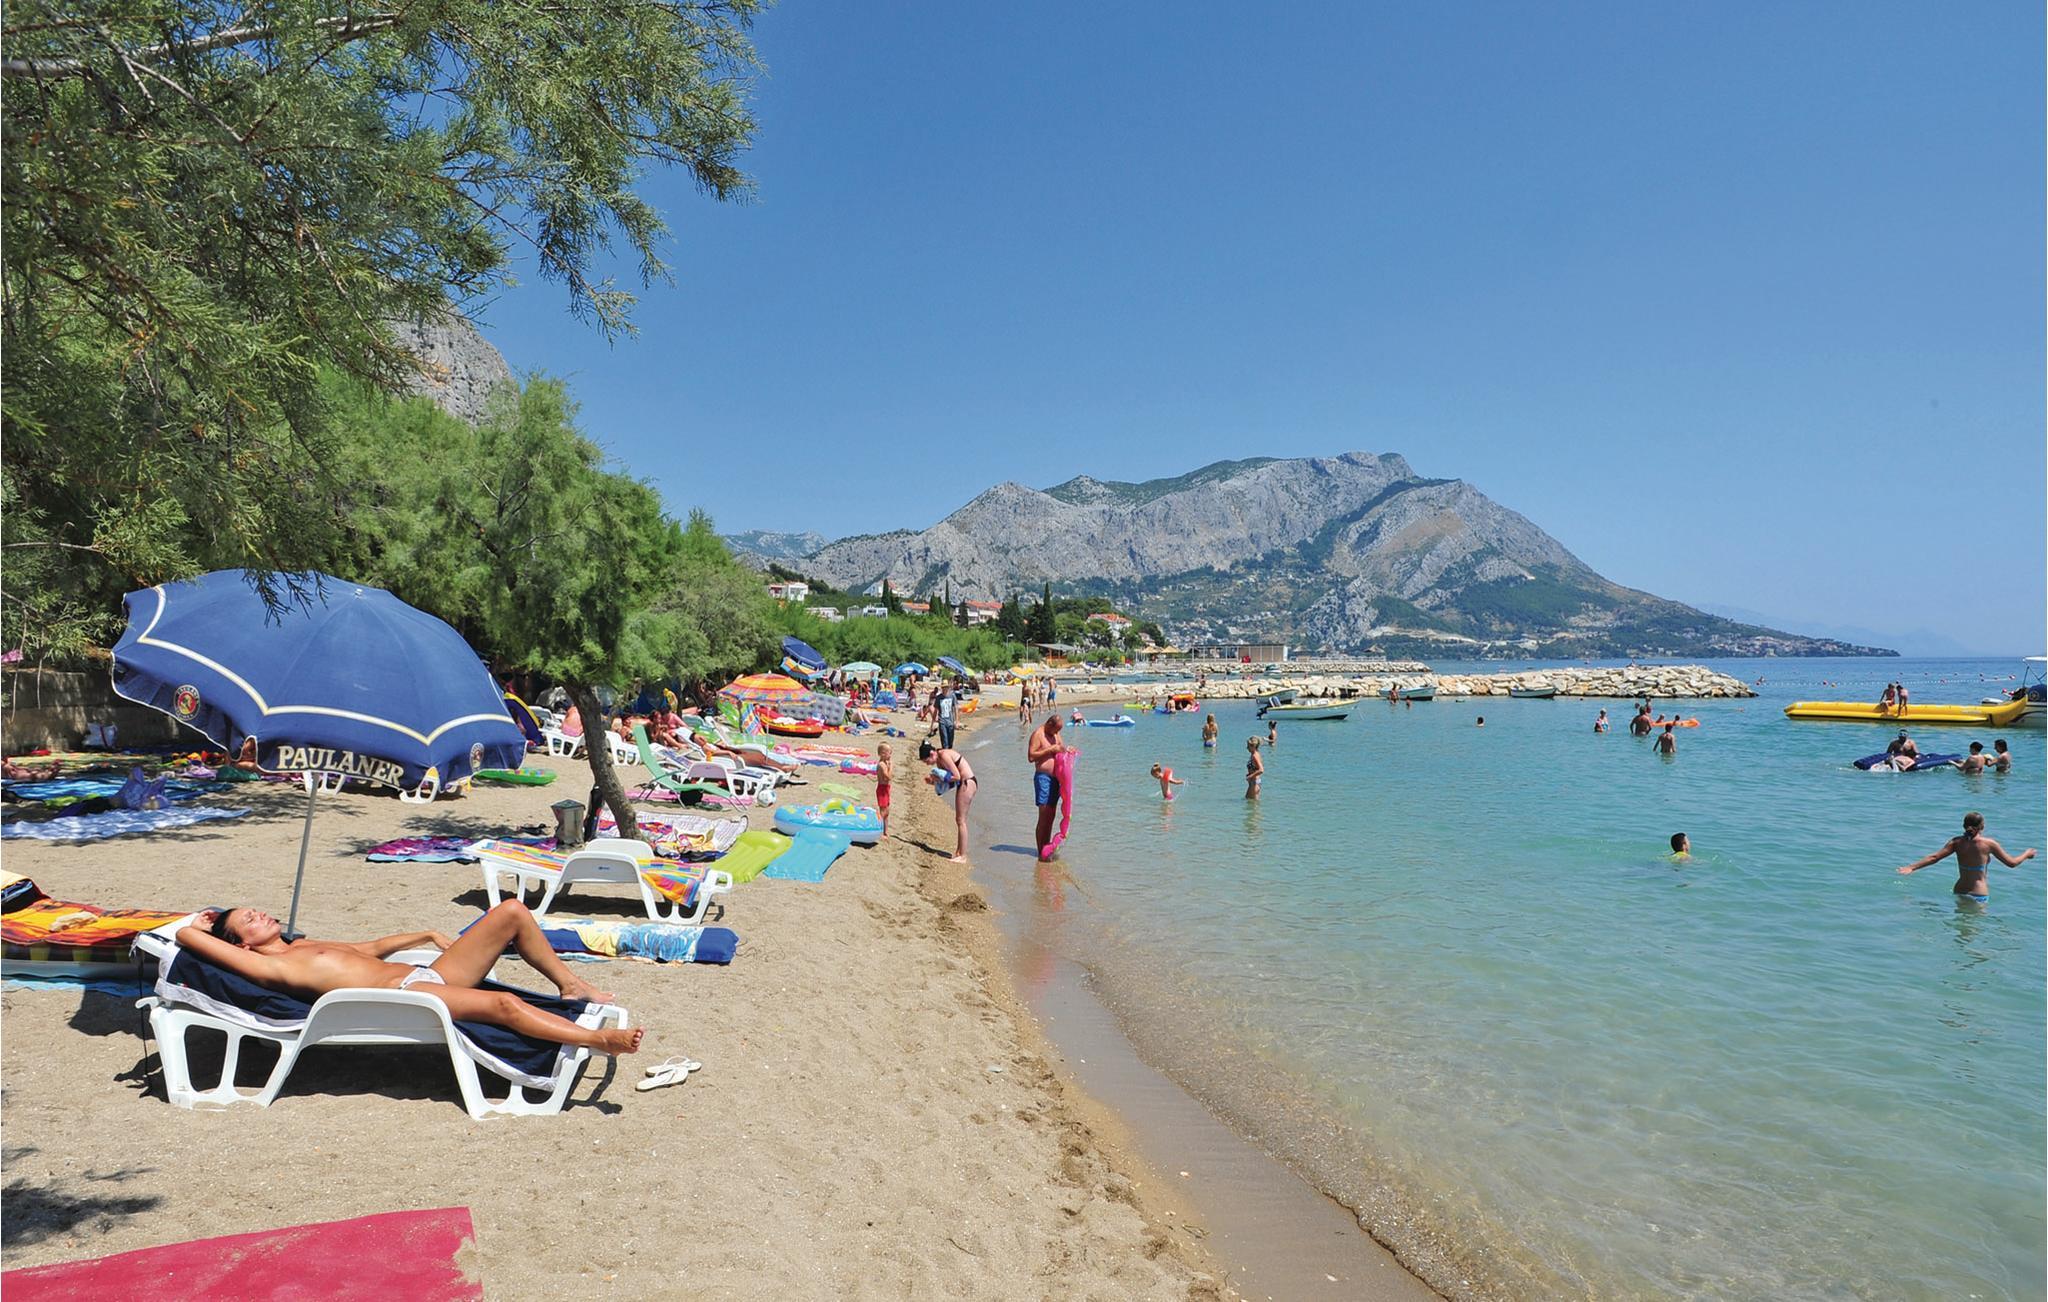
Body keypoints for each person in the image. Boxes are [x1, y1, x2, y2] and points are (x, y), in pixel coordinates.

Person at [178, 900, 643, 1054]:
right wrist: (196, 926)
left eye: (256, 910)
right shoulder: (267, 966)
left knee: (511, 912)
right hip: (405, 997)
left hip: (427, 975)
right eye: (249, 920)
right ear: (241, 945)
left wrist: (423, 934)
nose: (260, 914)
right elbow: (186, 936)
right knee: (504, 1005)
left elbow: (367, 950)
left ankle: (570, 985)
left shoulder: (300, 946)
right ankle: (598, 1040)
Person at [1895, 812, 2037, 902]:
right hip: (1978, 894)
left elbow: (1934, 857)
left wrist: (1911, 867)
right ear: (1982, 826)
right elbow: (2012, 863)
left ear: (1964, 825)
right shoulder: (1989, 844)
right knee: (1972, 933)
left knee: (1960, 931)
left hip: (1959, 890)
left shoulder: (1956, 842)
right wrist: (2026, 854)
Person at [920, 740, 976, 863]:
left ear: (931, 754)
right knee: (959, 820)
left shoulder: (943, 755)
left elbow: (956, 776)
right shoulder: (940, 759)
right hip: (964, 783)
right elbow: (950, 781)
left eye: (926, 761)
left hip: (967, 782)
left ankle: (962, 856)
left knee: (961, 821)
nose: (927, 764)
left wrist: (938, 778)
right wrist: (933, 781)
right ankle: (959, 852)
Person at [1027, 715, 1073, 858]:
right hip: (1043, 778)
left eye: (1058, 731)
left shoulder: (1056, 734)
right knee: (1043, 814)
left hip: (1055, 779)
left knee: (1051, 815)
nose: (1057, 733)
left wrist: (1067, 750)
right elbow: (1031, 756)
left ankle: (1046, 848)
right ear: (1049, 724)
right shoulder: (1038, 734)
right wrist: (1050, 749)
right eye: (1055, 730)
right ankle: (1040, 850)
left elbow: (1061, 750)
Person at [875, 742, 894, 834]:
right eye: (889, 753)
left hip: (886, 788)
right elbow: (888, 777)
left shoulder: (885, 763)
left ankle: (885, 831)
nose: (890, 755)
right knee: (883, 811)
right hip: (882, 789)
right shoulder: (882, 765)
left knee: (887, 812)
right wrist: (891, 767)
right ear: (882, 754)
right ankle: (877, 828)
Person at [936, 681, 958, 750]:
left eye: (946, 687)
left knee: (950, 742)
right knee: (945, 741)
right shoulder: (938, 697)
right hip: (942, 721)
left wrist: (956, 721)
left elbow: (955, 708)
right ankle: (945, 753)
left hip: (950, 722)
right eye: (943, 687)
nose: (944, 689)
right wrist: (933, 722)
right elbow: (936, 710)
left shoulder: (952, 696)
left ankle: (949, 753)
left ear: (948, 688)